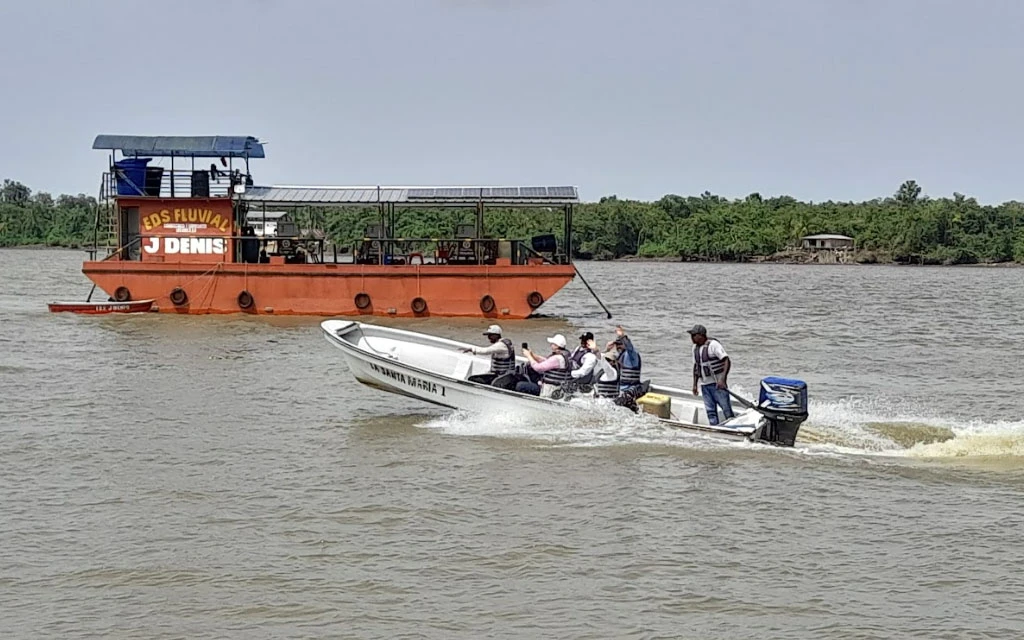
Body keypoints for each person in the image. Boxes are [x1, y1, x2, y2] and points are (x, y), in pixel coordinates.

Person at [688, 324, 734, 425]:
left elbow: (726, 360)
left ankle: (733, 427)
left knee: (726, 409)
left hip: (717, 384)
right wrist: (695, 385)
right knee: (710, 411)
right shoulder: (695, 348)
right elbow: (696, 367)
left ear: (701, 335)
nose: (692, 337)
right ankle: (714, 428)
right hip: (705, 385)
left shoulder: (713, 345)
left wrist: (722, 380)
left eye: (694, 335)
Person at [604, 325, 642, 392]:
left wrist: (622, 336)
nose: (618, 346)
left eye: (620, 344)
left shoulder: (632, 355)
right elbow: (603, 361)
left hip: (631, 389)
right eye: (617, 344)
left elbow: (630, 347)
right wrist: (607, 350)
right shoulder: (619, 356)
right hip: (620, 388)